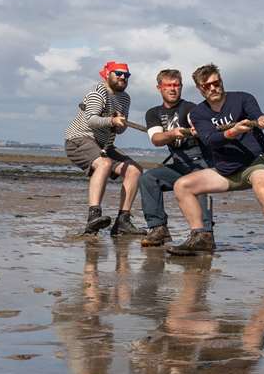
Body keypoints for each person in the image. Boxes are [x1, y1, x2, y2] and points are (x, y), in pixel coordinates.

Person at [167, 64, 264, 265]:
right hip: (226, 170)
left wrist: (261, 119)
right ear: (200, 89)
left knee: (262, 188)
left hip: (256, 162)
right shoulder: (199, 113)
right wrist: (232, 132)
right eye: (206, 86)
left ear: (221, 82)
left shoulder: (242, 98)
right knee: (182, 185)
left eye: (216, 83)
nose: (213, 88)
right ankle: (201, 237)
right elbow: (209, 139)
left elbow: (256, 114)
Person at [64, 60, 142, 235]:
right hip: (79, 139)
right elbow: (91, 119)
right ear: (107, 74)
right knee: (104, 164)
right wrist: (112, 120)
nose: (123, 77)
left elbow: (119, 129)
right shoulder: (97, 92)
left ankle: (123, 221)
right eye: (118, 73)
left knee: (134, 171)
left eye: (126, 75)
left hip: (104, 145)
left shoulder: (125, 98)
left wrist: (120, 125)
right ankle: (93, 216)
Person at [138, 69, 214, 247]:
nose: (173, 89)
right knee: (148, 178)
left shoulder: (190, 108)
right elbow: (156, 139)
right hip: (180, 164)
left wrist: (198, 128)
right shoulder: (153, 113)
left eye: (176, 85)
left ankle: (205, 234)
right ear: (159, 88)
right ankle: (158, 229)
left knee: (199, 183)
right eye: (168, 85)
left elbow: (198, 121)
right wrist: (172, 133)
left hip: (201, 161)